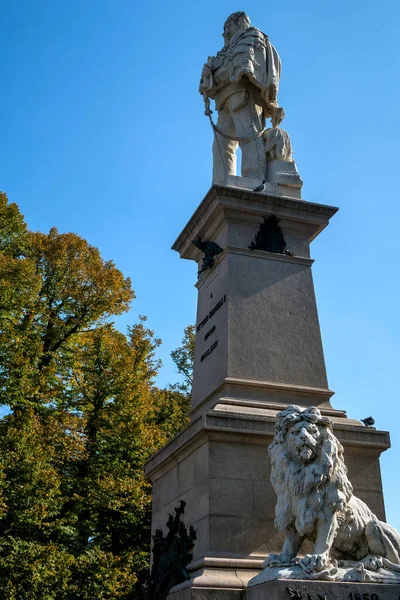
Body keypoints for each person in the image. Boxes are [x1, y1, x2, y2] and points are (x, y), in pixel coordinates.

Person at [200, 12, 283, 185]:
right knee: (221, 146)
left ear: (237, 22)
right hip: (224, 101)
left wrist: (219, 73)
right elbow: (227, 69)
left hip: (244, 95)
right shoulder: (227, 49)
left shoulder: (252, 36)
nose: (224, 33)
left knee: (249, 135)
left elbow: (243, 65)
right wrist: (209, 76)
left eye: (226, 27)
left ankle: (254, 179)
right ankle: (222, 183)